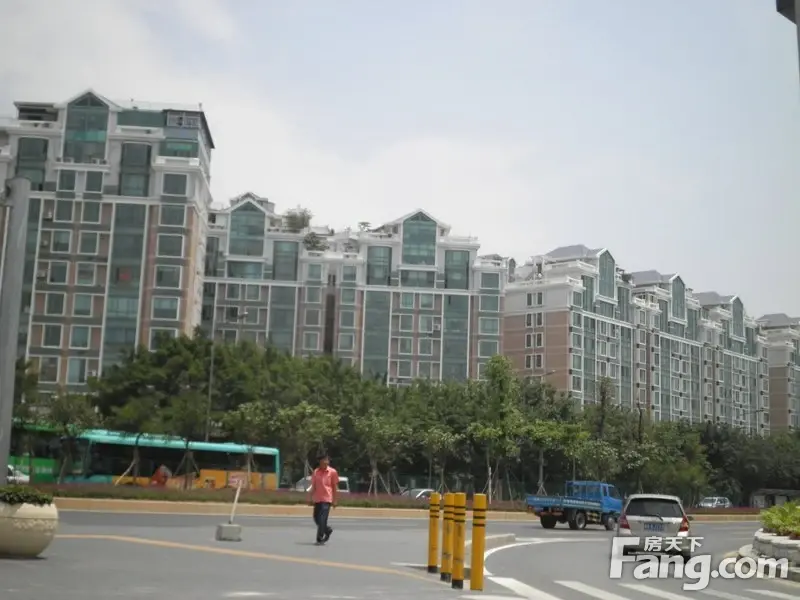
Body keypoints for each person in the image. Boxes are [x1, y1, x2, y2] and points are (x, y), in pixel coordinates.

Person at [308, 452, 339, 544]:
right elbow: (313, 486)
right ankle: (327, 530)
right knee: (316, 518)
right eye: (324, 460)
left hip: (327, 499)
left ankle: (319, 537)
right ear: (320, 462)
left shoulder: (332, 472)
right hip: (317, 499)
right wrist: (309, 497)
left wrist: (335, 500)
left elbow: (334, 487)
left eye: (327, 460)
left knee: (322, 519)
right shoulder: (316, 472)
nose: (326, 462)